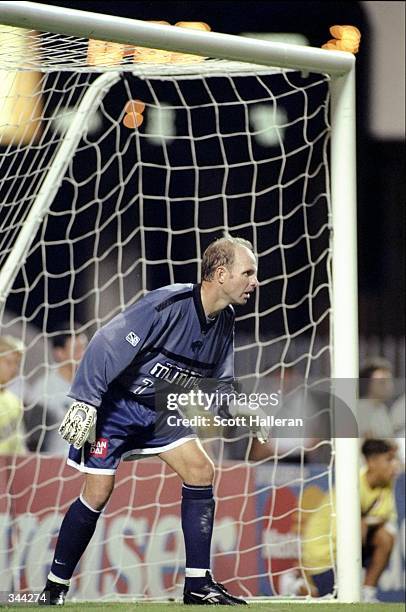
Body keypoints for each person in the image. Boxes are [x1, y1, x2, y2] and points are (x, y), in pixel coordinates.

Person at [40, 236, 261, 605]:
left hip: (161, 406)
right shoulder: (168, 303)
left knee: (200, 471)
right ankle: (54, 587)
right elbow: (105, 343)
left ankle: (197, 585)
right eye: (249, 272)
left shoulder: (226, 321)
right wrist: (86, 400)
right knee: (98, 492)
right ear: (221, 274)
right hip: (114, 407)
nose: (255, 281)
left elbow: (218, 383)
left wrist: (241, 409)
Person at [302, 438, 399, 602]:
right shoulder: (351, 484)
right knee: (336, 601)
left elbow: (385, 518)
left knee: (386, 536)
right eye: (389, 460)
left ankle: (368, 592)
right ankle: (300, 583)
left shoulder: (385, 485)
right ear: (372, 462)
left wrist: (364, 522)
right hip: (324, 556)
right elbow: (340, 532)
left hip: (349, 549)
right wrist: (362, 524)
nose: (394, 466)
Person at [27, 326, 88, 453]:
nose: (83, 354)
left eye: (85, 348)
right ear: (59, 353)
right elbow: (33, 440)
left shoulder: (95, 385)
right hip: (57, 465)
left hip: (90, 464)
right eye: (76, 349)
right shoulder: (43, 389)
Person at [357, 357, 395, 440]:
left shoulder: (382, 409)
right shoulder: (360, 409)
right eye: (382, 381)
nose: (388, 385)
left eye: (389, 380)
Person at [0, 335, 26, 455]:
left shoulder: (15, 403)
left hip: (6, 469)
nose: (13, 368)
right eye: (8, 362)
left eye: (16, 363)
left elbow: (18, 448)